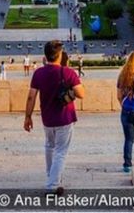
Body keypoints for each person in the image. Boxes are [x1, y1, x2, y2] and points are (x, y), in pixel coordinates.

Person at [24, 40, 86, 194]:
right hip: (64, 118)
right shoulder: (68, 72)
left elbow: (31, 97)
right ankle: (52, 185)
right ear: (59, 56)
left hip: (47, 119)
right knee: (60, 151)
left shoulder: (38, 73)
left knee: (50, 147)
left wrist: (27, 117)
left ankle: (52, 177)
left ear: (46, 56)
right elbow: (81, 94)